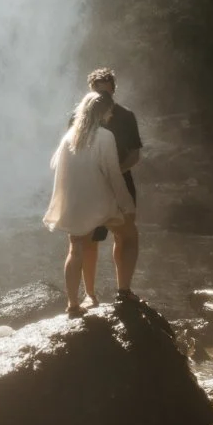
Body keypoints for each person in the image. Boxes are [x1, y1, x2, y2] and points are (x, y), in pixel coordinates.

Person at [43, 91, 136, 316]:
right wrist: (128, 206)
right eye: (109, 111)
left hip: (74, 203)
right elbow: (114, 175)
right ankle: (124, 291)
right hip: (100, 205)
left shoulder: (70, 137)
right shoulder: (104, 136)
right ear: (103, 113)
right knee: (130, 235)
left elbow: (55, 167)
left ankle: (73, 304)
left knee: (76, 249)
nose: (110, 114)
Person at [81, 66, 142, 303]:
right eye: (99, 93)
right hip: (90, 184)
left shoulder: (126, 116)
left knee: (125, 236)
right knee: (89, 239)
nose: (103, 98)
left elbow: (134, 155)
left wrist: (114, 174)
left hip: (119, 183)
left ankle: (123, 291)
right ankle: (89, 295)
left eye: (107, 93)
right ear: (91, 91)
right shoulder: (78, 117)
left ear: (114, 90)